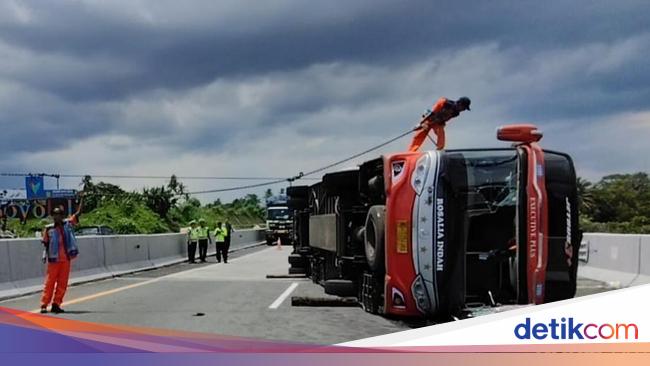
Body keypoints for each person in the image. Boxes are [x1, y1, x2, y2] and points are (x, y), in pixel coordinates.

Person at [40, 197, 83, 314]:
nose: (57, 216)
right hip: (53, 260)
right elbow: (45, 244)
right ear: (53, 216)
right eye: (55, 214)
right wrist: (44, 255)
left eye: (59, 214)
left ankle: (56, 304)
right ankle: (44, 304)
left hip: (66, 259)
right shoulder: (48, 229)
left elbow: (78, 213)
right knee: (50, 282)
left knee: (62, 283)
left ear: (62, 216)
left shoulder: (68, 224)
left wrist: (82, 200)